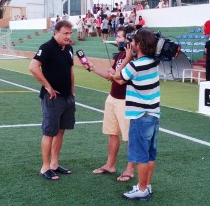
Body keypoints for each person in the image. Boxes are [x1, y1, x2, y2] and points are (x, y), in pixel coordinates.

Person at [111, 29, 160, 201]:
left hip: (139, 116)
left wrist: (126, 58)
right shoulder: (153, 62)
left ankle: (141, 189)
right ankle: (146, 186)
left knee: (140, 156)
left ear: (138, 45)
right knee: (150, 154)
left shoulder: (135, 65)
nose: (130, 44)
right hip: (153, 114)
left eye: (133, 42)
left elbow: (118, 77)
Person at [83, 26, 136, 181]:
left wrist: (119, 67)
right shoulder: (120, 54)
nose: (117, 39)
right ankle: (110, 165)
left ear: (128, 39)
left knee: (128, 137)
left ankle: (129, 170)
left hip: (126, 100)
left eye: (119, 37)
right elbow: (110, 76)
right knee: (112, 133)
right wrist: (92, 67)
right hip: (112, 97)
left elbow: (119, 77)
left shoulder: (133, 57)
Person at [29, 20, 76, 180]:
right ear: (56, 32)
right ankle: (45, 167)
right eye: (65, 33)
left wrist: (72, 93)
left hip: (67, 97)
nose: (69, 36)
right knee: (49, 132)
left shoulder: (69, 48)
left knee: (61, 131)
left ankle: (55, 164)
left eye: (70, 33)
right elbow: (33, 67)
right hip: (52, 98)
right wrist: (48, 86)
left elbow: (70, 72)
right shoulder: (47, 47)